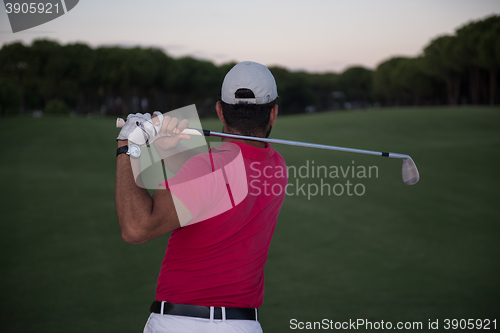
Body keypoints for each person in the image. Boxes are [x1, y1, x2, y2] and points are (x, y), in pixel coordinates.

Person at [115, 61, 287, 333]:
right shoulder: (278, 166)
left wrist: (128, 146)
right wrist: (168, 150)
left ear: (220, 110)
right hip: (244, 326)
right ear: (273, 113)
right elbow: (213, 184)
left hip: (180, 324)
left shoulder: (208, 168)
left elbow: (136, 229)